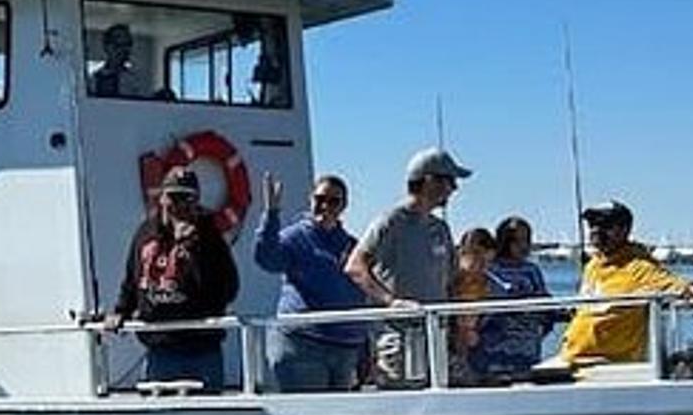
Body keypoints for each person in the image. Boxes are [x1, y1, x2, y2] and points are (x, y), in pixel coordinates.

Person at [107, 165, 239, 392]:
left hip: (202, 350)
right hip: (160, 351)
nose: (180, 205)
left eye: (188, 199)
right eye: (174, 197)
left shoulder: (209, 235)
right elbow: (131, 280)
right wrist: (121, 311)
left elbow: (229, 289)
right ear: (162, 198)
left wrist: (195, 251)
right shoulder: (145, 232)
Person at [346, 147, 470, 385]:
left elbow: (451, 280)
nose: (454, 188)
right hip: (399, 337)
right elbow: (355, 267)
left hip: (437, 334)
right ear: (429, 181)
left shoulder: (440, 228)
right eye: (449, 180)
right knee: (403, 401)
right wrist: (392, 301)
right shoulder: (391, 221)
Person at [252, 171, 368, 391]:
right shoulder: (295, 237)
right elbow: (267, 259)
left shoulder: (351, 244)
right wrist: (271, 214)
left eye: (334, 201)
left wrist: (364, 348)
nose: (325, 206)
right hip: (303, 345)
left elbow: (359, 295)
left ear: (344, 206)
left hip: (345, 349)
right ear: (310, 199)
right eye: (319, 199)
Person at [558, 200, 693, 367]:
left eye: (605, 224)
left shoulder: (639, 267)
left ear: (624, 229)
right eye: (592, 224)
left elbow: (674, 284)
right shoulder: (593, 265)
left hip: (608, 365)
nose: (596, 230)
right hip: (572, 357)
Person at [468, 215, 556, 381]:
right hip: (491, 352)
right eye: (517, 240)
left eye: (527, 240)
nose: (523, 246)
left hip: (526, 352)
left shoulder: (532, 270)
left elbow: (544, 305)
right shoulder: (489, 268)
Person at [449, 226, 496, 384]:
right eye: (473, 254)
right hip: (457, 337)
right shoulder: (455, 278)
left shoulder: (486, 282)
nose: (478, 263)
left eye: (485, 259)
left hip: (479, 339)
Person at [87, 22, 142, 98]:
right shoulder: (93, 80)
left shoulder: (135, 81)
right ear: (106, 46)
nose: (122, 50)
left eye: (127, 45)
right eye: (118, 45)